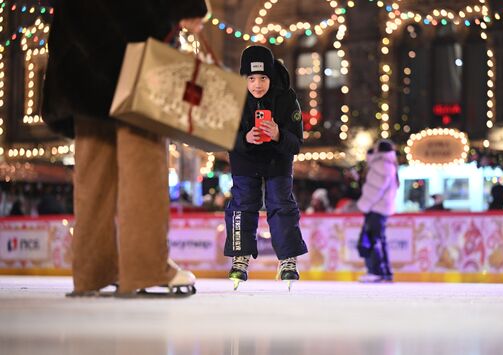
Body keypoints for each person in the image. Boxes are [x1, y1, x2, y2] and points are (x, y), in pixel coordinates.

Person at [41, 0, 209, 297]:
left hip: (78, 45)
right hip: (135, 39)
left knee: (93, 171)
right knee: (143, 163)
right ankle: (147, 268)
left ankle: (92, 271)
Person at [224, 45, 308, 290]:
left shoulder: (286, 99)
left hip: (277, 158)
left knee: (281, 202)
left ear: (271, 76)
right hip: (245, 158)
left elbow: (296, 143)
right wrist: (244, 139)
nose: (257, 84)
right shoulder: (233, 99)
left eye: (263, 78)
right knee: (242, 203)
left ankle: (288, 261)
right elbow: (223, 135)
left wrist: (279, 134)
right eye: (251, 78)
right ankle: (240, 258)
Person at [356, 141, 399, 283]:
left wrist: (365, 205)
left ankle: (376, 271)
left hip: (375, 208)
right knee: (378, 239)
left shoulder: (382, 165)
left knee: (372, 240)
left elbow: (376, 190)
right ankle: (384, 272)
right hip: (380, 208)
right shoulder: (386, 164)